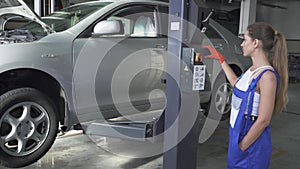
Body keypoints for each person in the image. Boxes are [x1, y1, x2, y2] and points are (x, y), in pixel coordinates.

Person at [205, 22, 288, 168]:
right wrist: (221, 59)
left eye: (245, 39)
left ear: (255, 43)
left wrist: (242, 147)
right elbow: (236, 84)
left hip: (252, 143)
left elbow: (263, 120)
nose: (242, 44)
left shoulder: (267, 77)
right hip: (237, 134)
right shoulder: (252, 70)